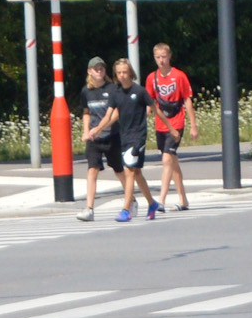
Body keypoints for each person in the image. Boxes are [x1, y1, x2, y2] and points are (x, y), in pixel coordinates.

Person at [145, 41, 194, 213]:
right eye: (158, 57)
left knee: (166, 159)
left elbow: (187, 99)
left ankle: (161, 201)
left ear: (169, 56)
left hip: (177, 122)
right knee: (172, 162)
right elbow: (150, 102)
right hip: (161, 123)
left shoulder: (179, 76)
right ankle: (183, 199)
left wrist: (193, 125)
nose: (161, 60)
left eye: (164, 57)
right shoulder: (152, 78)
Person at [108, 57, 152, 221]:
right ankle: (152, 202)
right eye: (119, 73)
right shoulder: (116, 93)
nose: (122, 75)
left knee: (129, 171)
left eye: (125, 72)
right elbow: (112, 115)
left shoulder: (139, 91)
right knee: (137, 173)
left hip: (138, 137)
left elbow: (154, 108)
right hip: (124, 136)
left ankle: (126, 209)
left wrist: (170, 128)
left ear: (130, 72)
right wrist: (97, 129)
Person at [78, 57, 119, 222]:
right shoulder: (86, 91)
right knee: (92, 170)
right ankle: (89, 208)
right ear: (90, 72)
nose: (99, 71)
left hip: (112, 135)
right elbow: (86, 113)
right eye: (96, 69)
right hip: (94, 138)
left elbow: (116, 113)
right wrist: (86, 131)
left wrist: (100, 128)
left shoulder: (112, 89)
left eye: (101, 68)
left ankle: (130, 200)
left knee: (119, 170)